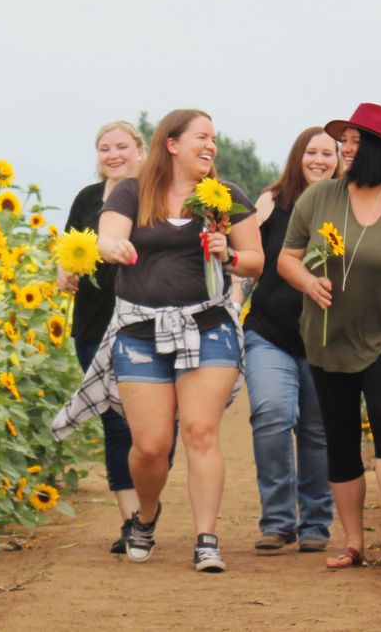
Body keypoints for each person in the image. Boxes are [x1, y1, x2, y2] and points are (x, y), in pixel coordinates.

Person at [54, 108, 262, 573]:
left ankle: (207, 538)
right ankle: (145, 517)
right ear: (172, 144)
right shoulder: (133, 191)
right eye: (201, 138)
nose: (210, 146)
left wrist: (229, 254)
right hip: (139, 331)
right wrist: (113, 248)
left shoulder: (226, 198)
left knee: (200, 432)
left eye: (214, 139)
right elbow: (109, 236)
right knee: (149, 446)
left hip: (208, 326)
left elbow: (255, 261)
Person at [277, 103, 381, 569]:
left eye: (354, 142)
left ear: (379, 150)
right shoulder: (318, 199)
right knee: (340, 435)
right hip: (327, 338)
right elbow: (287, 258)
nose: (344, 150)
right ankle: (352, 542)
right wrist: (308, 282)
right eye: (343, 142)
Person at [232, 126, 338, 555]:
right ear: (298, 157)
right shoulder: (272, 202)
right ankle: (277, 521)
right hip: (270, 332)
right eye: (310, 152)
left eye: (327, 153)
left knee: (317, 430)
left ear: (339, 159)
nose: (318, 160)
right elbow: (251, 261)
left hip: (328, 339)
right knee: (272, 413)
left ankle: (315, 523)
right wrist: (232, 302)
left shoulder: (350, 205)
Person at [58, 120, 146, 553]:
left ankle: (146, 509)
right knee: (115, 421)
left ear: (140, 150)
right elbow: (67, 250)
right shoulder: (88, 199)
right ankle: (131, 520)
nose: (113, 154)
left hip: (146, 323)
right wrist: (64, 273)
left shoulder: (153, 196)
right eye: (105, 148)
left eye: (121, 146)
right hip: (93, 323)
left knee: (150, 428)